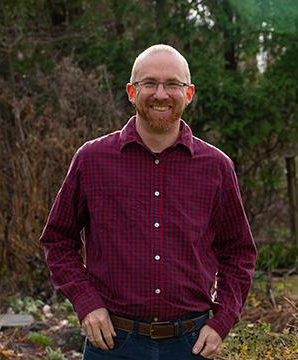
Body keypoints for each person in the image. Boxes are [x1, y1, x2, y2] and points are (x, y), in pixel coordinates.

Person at [40, 44, 256, 360]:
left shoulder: (216, 166)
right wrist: (86, 304)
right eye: (149, 83)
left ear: (189, 93)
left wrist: (223, 320)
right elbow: (57, 241)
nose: (160, 93)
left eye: (172, 84)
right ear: (131, 91)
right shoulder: (92, 159)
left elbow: (238, 252)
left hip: (191, 346)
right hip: (112, 344)